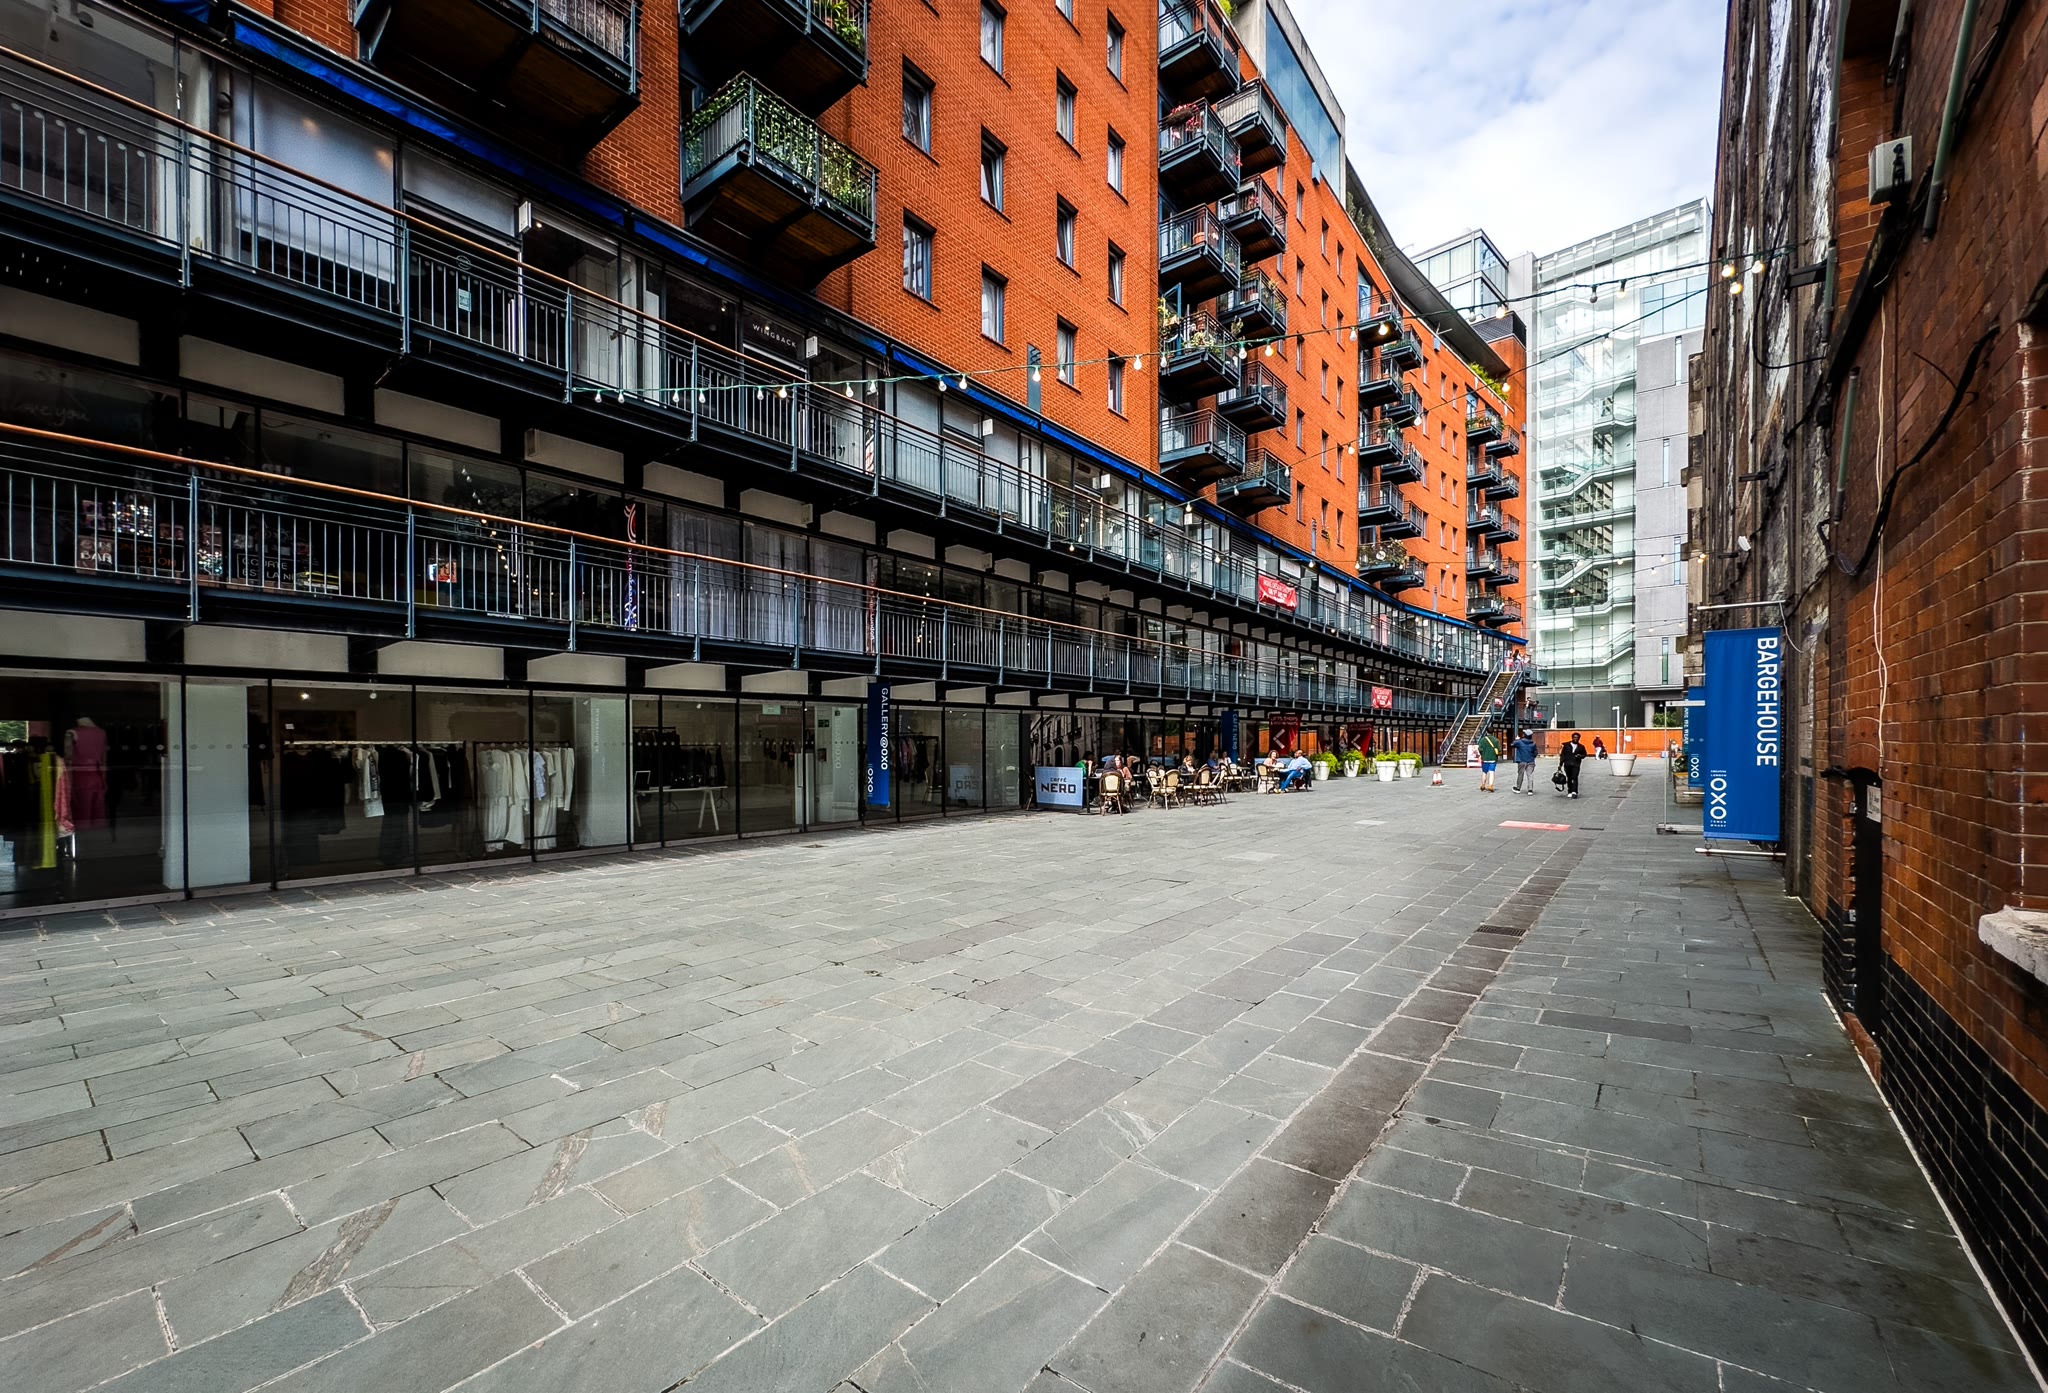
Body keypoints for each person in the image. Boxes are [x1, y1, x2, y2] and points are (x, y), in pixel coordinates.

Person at [1559, 732, 1588, 799]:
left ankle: (1574, 792)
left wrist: (1580, 756)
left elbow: (1584, 754)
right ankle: (1569, 791)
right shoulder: (1566, 746)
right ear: (1572, 738)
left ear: (1579, 738)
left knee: (1575, 777)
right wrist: (1560, 764)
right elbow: (1563, 755)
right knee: (1569, 778)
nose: (1576, 739)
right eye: (1574, 737)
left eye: (1577, 738)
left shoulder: (1581, 747)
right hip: (1567, 764)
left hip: (1576, 764)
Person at [1510, 730, 1539, 795]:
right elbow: (1536, 752)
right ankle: (1530, 790)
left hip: (1521, 761)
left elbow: (1512, 745)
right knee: (1530, 775)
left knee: (1520, 774)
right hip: (1531, 761)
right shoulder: (1533, 743)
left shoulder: (1519, 742)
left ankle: (1518, 788)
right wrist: (1532, 757)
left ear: (1524, 735)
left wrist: (1517, 739)